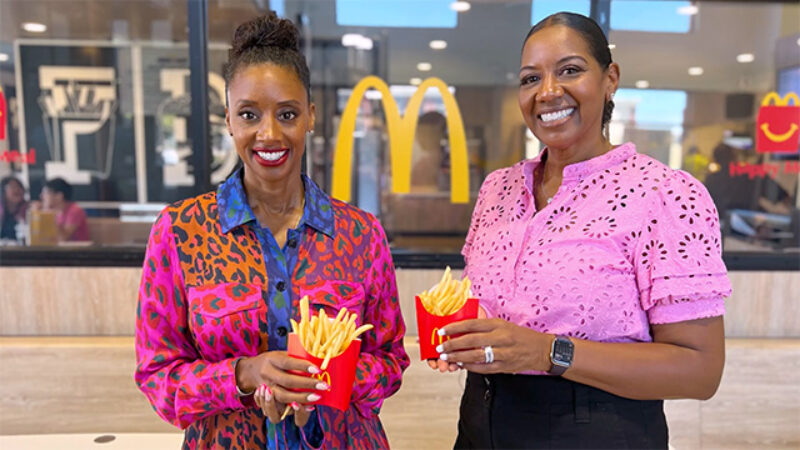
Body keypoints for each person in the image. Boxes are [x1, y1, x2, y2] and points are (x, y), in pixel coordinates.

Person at [429, 12, 731, 449]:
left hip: (597, 431)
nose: (548, 92)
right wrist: (467, 340)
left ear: (610, 79)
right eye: (531, 78)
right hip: (480, 424)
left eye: (570, 70)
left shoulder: (664, 194)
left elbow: (701, 371)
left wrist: (546, 351)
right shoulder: (498, 188)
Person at [134, 12, 409, 450]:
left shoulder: (361, 234)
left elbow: (390, 361)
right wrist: (242, 374)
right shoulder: (181, 232)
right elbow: (157, 379)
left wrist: (325, 384)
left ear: (310, 117)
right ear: (228, 119)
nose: (269, 133)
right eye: (249, 114)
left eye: (287, 114)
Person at [38, 177, 90, 242]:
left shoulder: (75, 211)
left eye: (45, 193)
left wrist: (46, 214)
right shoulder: (55, 212)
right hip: (60, 250)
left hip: (78, 250)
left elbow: (63, 238)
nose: (41, 196)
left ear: (59, 196)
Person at [0, 176, 28, 241]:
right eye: (13, 187)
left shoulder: (28, 209)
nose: (17, 190)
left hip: (23, 250)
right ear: (3, 191)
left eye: (19, 187)